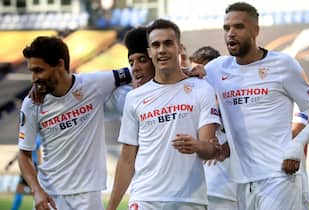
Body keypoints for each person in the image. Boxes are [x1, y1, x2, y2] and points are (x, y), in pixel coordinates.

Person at [203, 2, 309, 210]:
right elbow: (184, 84)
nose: (231, 33)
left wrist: (296, 146)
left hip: (279, 176)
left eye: (238, 27)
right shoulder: (216, 69)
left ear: (255, 30)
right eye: (226, 28)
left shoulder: (283, 65)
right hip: (242, 180)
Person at [107, 19, 226, 210]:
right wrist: (111, 207)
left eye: (168, 43)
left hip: (189, 200)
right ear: (150, 52)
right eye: (156, 45)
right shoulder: (134, 98)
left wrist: (197, 146)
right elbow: (127, 159)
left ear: (179, 48)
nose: (161, 49)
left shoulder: (201, 88)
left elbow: (211, 150)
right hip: (145, 199)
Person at [17, 36, 132, 210]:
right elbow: (24, 154)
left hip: (87, 195)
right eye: (31, 71)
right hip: (49, 196)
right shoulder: (32, 104)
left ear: (60, 64)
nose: (33, 78)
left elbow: (138, 70)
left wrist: (185, 71)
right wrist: (37, 191)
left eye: (39, 70)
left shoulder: (94, 83)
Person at [190, 46, 237, 210]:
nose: (199, 77)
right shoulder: (190, 98)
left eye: (203, 73)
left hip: (226, 190)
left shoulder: (231, 98)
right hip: (195, 190)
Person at [6, 135, 41, 210]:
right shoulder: (36, 136)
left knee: (33, 191)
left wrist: (11, 162)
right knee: (34, 192)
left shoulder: (32, 136)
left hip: (30, 167)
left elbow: (37, 153)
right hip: (32, 166)